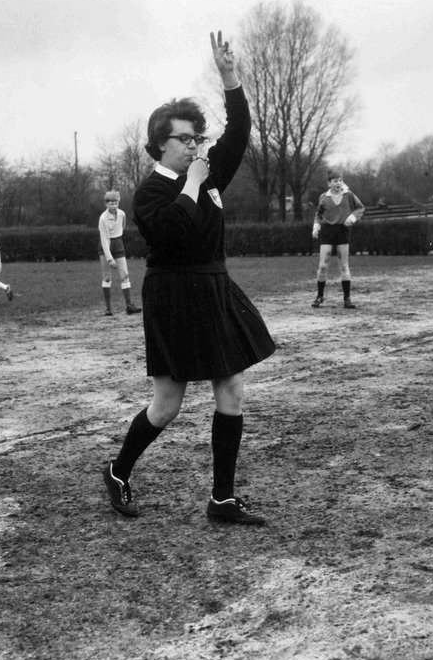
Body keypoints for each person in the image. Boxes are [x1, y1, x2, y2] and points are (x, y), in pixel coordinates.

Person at [101, 31, 276, 526]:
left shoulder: (207, 170)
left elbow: (239, 131)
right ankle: (117, 470)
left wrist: (229, 77)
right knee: (167, 404)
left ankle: (221, 498)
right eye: (185, 138)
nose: (195, 145)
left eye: (197, 138)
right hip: (174, 293)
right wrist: (194, 184)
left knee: (232, 391)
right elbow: (172, 233)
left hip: (214, 286)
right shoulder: (150, 192)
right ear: (160, 142)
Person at [311, 170, 365, 307]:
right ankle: (320, 296)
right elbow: (319, 214)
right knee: (323, 266)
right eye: (335, 181)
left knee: (343, 266)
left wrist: (351, 218)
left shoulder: (348, 195)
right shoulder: (324, 197)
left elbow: (360, 208)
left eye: (340, 180)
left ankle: (347, 299)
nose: (338, 183)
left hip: (343, 231)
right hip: (328, 231)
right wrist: (316, 227)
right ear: (329, 183)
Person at [97, 190, 141, 317]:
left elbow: (121, 227)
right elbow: (104, 239)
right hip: (106, 245)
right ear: (106, 204)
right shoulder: (103, 218)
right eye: (111, 203)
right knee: (107, 277)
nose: (114, 206)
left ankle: (129, 305)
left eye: (116, 203)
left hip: (118, 243)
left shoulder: (122, 214)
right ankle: (108, 308)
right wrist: (110, 259)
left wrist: (117, 240)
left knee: (125, 274)